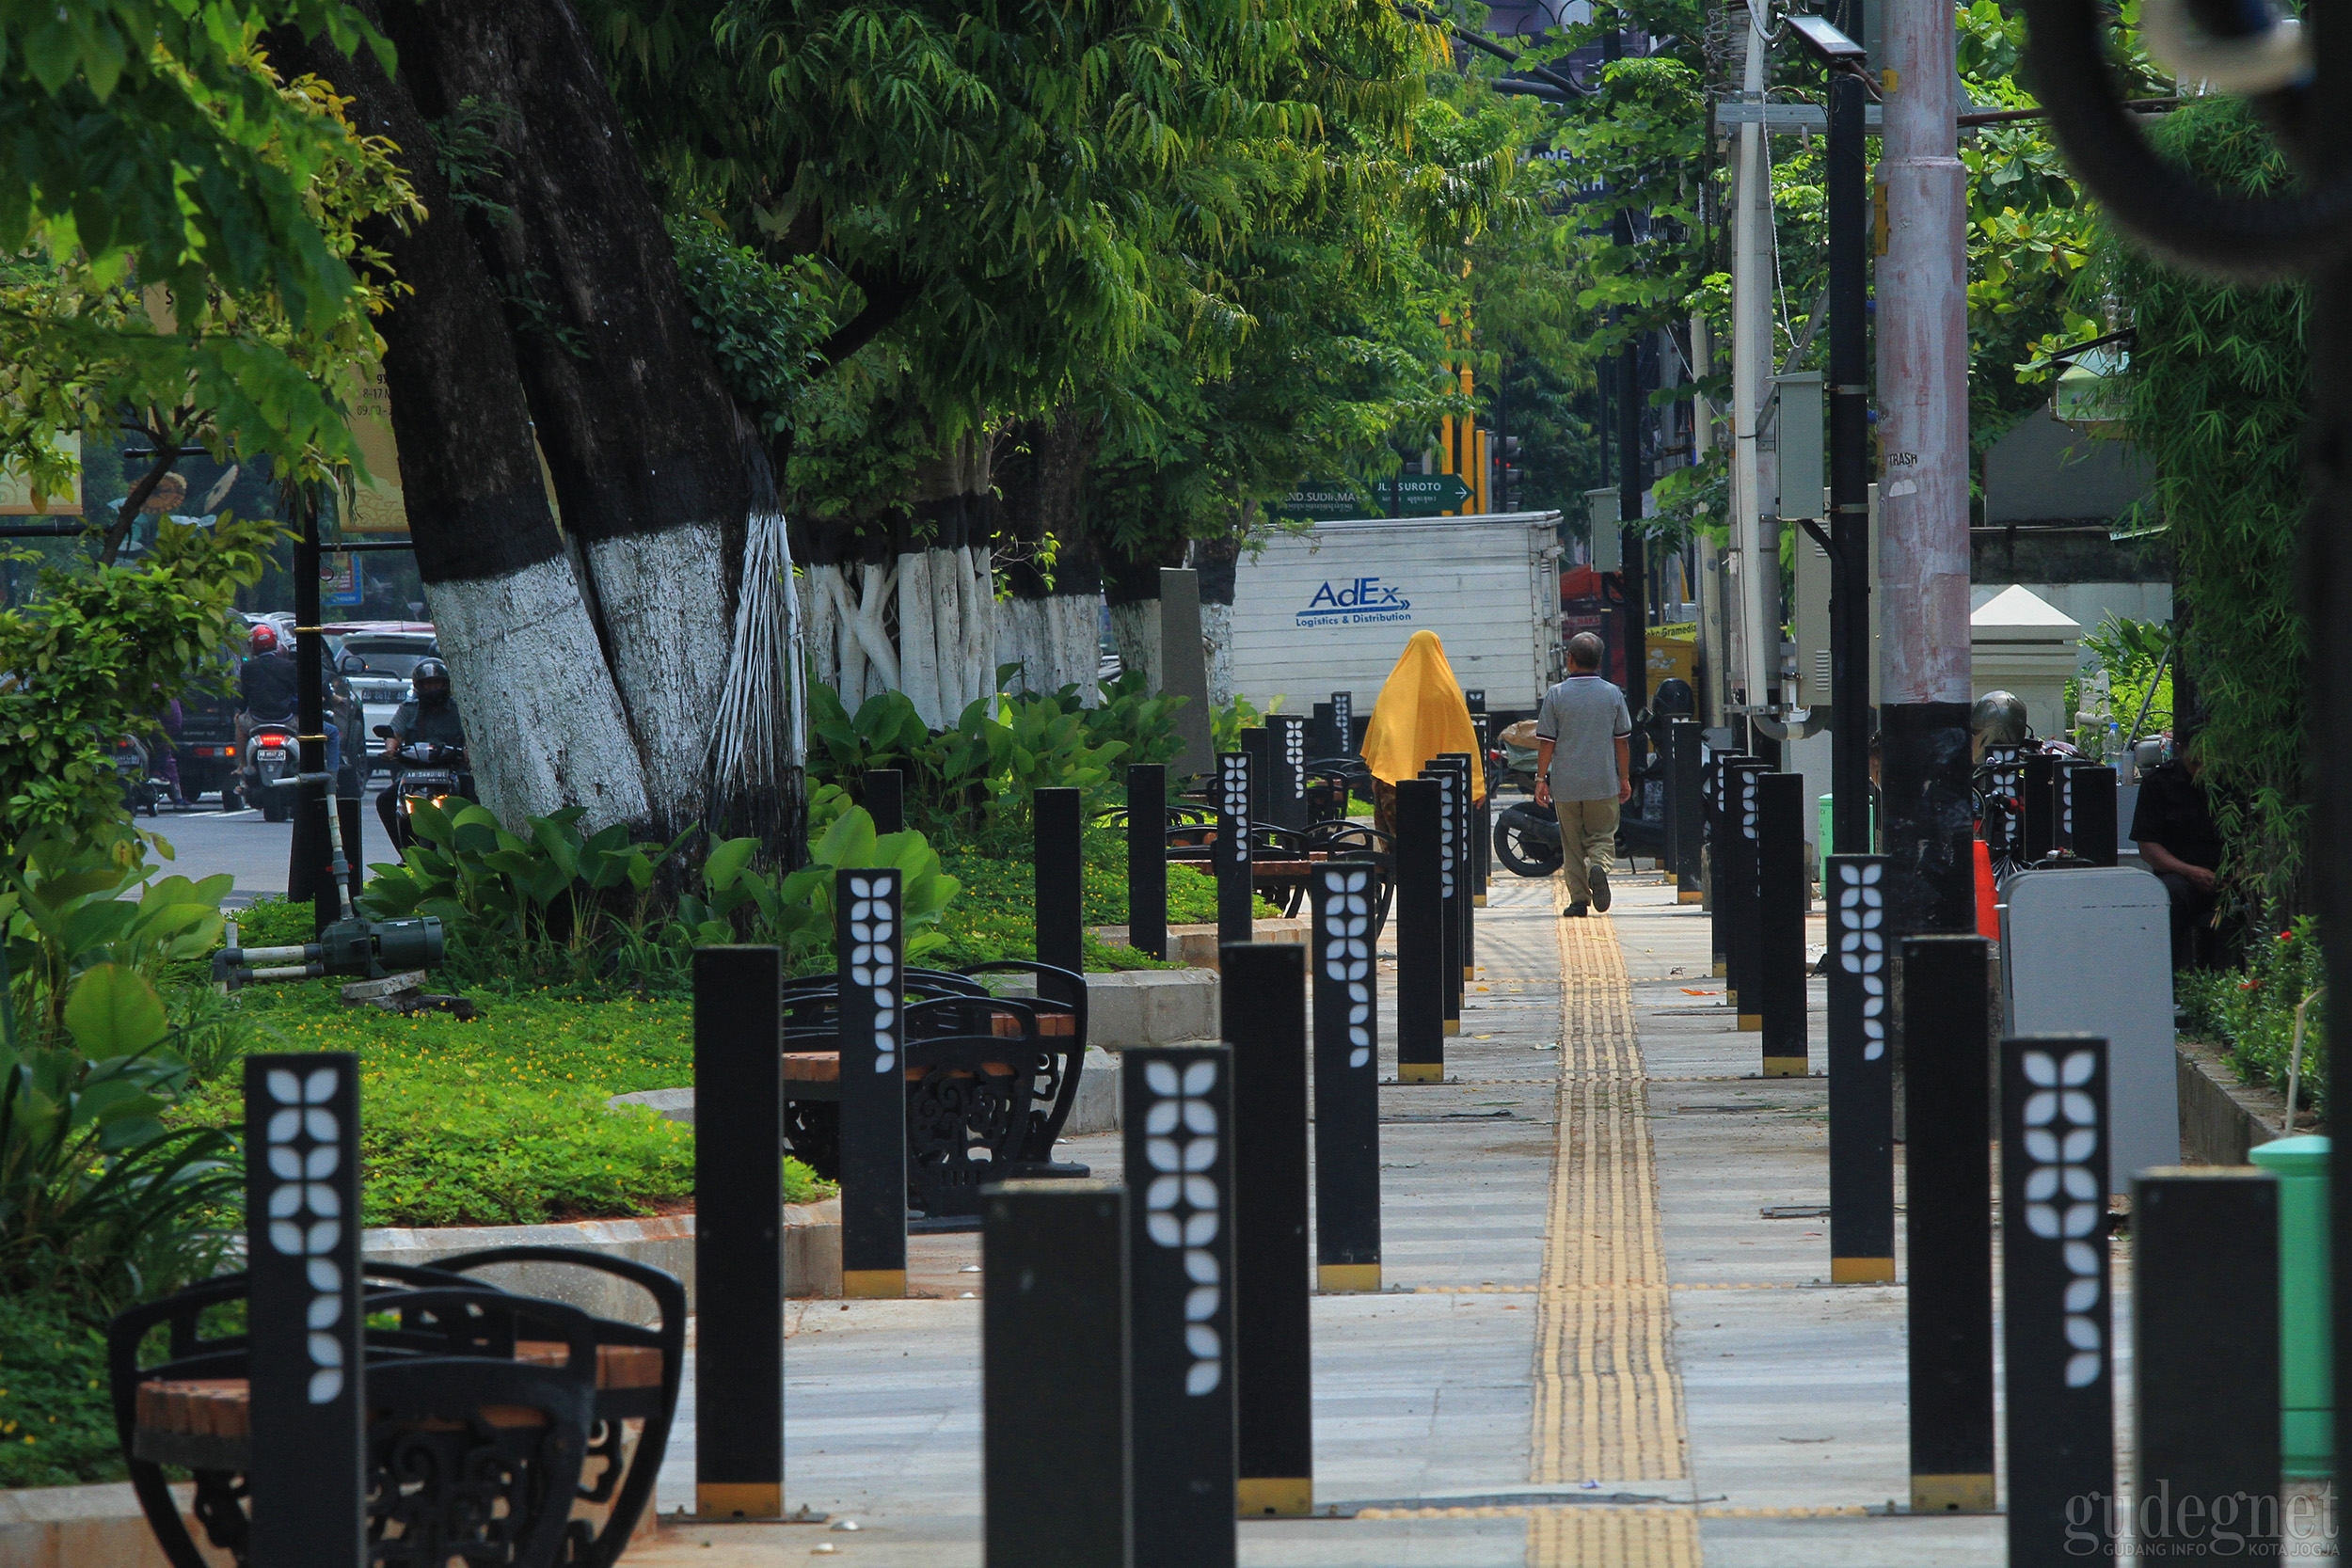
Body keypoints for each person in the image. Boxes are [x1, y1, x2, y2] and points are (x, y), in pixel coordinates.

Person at [1534, 631, 1631, 917]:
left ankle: (1578, 901)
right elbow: (1621, 742)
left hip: (1566, 785)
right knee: (1602, 835)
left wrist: (1541, 779)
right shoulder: (1613, 693)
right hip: (1602, 782)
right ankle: (1598, 865)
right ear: (1599, 661)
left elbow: (1546, 743)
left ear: (1570, 659)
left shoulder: (1557, 694)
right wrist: (1623, 777)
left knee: (1572, 844)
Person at [1359, 630, 1486, 837]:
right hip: (1440, 785)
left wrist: (1377, 774)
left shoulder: (1393, 687)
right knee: (1433, 845)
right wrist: (1476, 784)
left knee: (1397, 846)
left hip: (1394, 783)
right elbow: (1463, 739)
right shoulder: (1447, 691)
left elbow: (1382, 733)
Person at [2129, 738, 2222, 971]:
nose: (2203, 768)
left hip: (2229, 874)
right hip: (2181, 874)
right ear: (2181, 749)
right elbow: (2148, 846)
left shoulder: (2234, 780)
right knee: (2169, 894)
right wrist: (2189, 871)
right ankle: (2167, 977)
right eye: (2196, 761)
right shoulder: (2159, 782)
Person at [376, 657, 469, 839]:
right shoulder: (409, 709)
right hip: (413, 774)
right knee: (385, 800)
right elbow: (394, 733)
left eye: (437, 683)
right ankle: (406, 854)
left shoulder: (460, 709)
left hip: (454, 772)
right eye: (427, 684)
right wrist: (390, 749)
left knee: (476, 798)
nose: (433, 688)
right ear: (419, 687)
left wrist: (468, 752)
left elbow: (472, 736)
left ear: (446, 684)